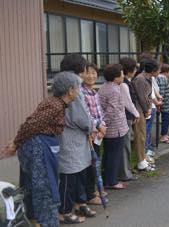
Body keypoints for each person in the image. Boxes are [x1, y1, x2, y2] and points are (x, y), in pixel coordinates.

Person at [0, 72, 80, 227]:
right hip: (39, 147)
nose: (79, 91)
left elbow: (32, 123)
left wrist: (17, 142)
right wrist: (15, 143)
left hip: (38, 145)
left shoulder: (55, 103)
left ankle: (35, 220)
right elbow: (31, 124)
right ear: (70, 90)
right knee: (45, 189)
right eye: (78, 88)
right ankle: (47, 223)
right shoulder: (55, 105)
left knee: (33, 187)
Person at [58, 54, 97, 223]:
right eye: (83, 69)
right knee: (70, 174)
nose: (85, 73)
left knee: (80, 171)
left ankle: (79, 202)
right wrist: (91, 126)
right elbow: (81, 116)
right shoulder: (72, 85)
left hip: (77, 137)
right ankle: (64, 211)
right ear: (78, 69)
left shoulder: (67, 82)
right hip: (71, 137)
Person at [79, 63, 108, 205]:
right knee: (90, 164)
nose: (91, 76)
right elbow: (85, 115)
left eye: (94, 73)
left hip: (98, 134)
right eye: (88, 73)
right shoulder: (81, 93)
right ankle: (90, 194)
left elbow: (100, 112)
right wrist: (98, 127)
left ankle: (93, 189)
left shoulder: (94, 92)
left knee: (95, 163)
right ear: (82, 75)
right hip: (89, 134)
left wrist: (103, 126)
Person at [98, 64, 129, 189]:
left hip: (107, 128)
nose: (123, 76)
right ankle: (112, 181)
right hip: (115, 128)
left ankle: (106, 179)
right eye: (121, 74)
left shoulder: (104, 87)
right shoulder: (115, 90)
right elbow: (111, 111)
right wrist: (104, 124)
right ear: (116, 77)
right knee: (114, 156)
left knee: (107, 154)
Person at [131, 58, 157, 171]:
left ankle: (142, 159)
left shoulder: (147, 78)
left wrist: (149, 108)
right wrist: (147, 109)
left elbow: (148, 96)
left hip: (143, 109)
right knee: (140, 136)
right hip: (139, 110)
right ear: (153, 70)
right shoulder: (140, 79)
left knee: (143, 135)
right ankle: (140, 161)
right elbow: (142, 97)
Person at [119, 57, 140, 182]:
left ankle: (126, 170)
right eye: (134, 68)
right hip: (125, 117)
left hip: (127, 117)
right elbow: (128, 103)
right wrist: (136, 114)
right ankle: (125, 173)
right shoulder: (124, 84)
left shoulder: (127, 82)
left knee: (127, 145)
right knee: (125, 146)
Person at [145, 69, 163, 159]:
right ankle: (147, 150)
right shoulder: (148, 78)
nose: (159, 72)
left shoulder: (149, 78)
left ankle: (148, 148)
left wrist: (158, 98)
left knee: (147, 130)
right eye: (158, 70)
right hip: (150, 107)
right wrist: (157, 102)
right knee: (147, 130)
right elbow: (152, 93)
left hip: (151, 106)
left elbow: (154, 91)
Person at [156, 63, 169, 144]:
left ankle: (165, 134)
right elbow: (162, 92)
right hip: (165, 105)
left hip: (164, 104)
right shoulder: (162, 78)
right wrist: (159, 105)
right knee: (166, 119)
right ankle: (163, 136)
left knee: (166, 119)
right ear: (166, 71)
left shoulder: (160, 78)